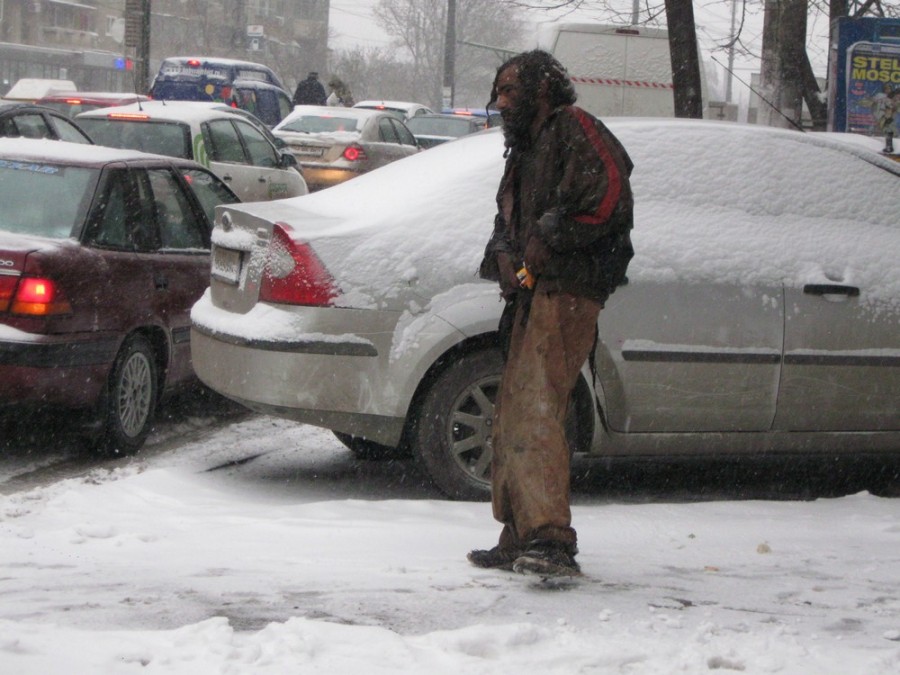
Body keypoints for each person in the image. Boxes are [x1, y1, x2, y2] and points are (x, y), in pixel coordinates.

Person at [469, 50, 635, 577]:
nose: (501, 101)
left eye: (509, 90)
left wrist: (549, 235)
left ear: (543, 89)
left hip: (567, 291)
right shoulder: (524, 150)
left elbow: (608, 194)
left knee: (537, 410)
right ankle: (520, 532)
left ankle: (550, 540)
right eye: (498, 91)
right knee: (513, 413)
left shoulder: (574, 127)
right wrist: (501, 251)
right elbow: (507, 219)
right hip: (530, 294)